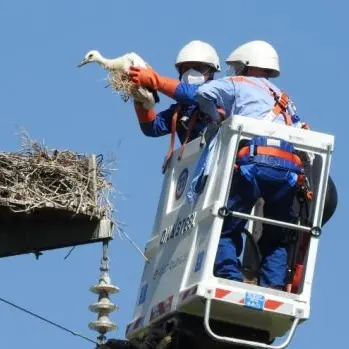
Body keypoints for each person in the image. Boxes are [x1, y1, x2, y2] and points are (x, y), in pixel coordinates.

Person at [130, 40, 220, 171]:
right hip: (196, 169)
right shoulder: (181, 109)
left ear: (211, 72)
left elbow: (194, 94)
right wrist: (140, 100)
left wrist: (156, 81)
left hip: (216, 163)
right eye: (186, 68)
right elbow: (151, 128)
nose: (191, 72)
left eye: (198, 68)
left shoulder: (220, 93)